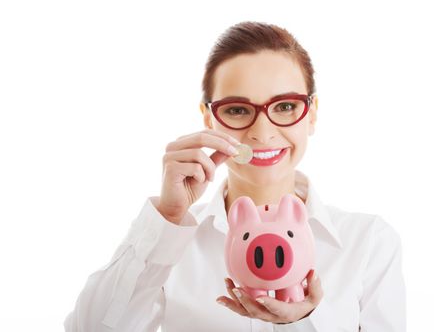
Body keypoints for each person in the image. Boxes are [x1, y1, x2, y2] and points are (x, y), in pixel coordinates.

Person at [64, 21, 406, 332]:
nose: (262, 132)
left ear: (311, 114)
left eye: (285, 106)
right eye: (238, 110)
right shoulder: (174, 243)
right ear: (209, 119)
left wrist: (304, 322)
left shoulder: (368, 242)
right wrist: (167, 218)